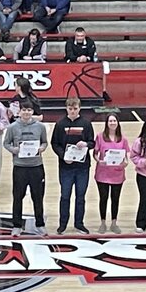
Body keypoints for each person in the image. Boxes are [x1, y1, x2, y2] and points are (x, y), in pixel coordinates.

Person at [2, 100, 48, 236]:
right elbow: (6, 143)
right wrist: (14, 150)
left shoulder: (40, 127)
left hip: (36, 167)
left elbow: (45, 142)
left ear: (32, 112)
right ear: (19, 111)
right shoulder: (12, 127)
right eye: (24, 110)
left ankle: (40, 224)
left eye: (29, 110)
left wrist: (41, 148)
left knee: (38, 197)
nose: (26, 112)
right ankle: (16, 225)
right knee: (17, 197)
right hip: (20, 167)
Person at [51, 98, 94, 235]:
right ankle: (62, 224)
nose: (73, 111)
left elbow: (92, 142)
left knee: (80, 196)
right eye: (70, 109)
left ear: (79, 109)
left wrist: (86, 144)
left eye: (75, 108)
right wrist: (63, 156)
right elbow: (55, 144)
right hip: (66, 168)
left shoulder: (86, 124)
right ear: (66, 109)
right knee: (65, 196)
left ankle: (79, 224)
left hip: (82, 168)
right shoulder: (60, 124)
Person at [92, 113, 128, 234]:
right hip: (103, 173)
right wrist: (99, 161)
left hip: (117, 174)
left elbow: (126, 156)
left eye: (114, 121)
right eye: (110, 121)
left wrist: (125, 163)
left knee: (115, 198)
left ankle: (114, 222)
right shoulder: (100, 137)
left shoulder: (123, 139)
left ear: (118, 123)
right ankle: (102, 222)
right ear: (106, 123)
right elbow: (95, 153)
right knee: (103, 198)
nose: (112, 123)